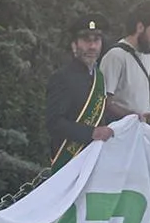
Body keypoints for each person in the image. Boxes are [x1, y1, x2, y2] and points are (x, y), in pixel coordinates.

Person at [43, 16, 126, 171]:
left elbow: (101, 115)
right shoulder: (62, 77)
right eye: (86, 40)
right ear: (74, 45)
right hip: (68, 163)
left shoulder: (98, 77)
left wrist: (135, 118)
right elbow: (54, 123)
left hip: (94, 161)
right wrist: (91, 133)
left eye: (96, 40)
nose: (92, 46)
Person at [99, 1, 150, 116]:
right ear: (140, 27)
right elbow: (104, 103)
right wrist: (135, 116)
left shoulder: (146, 55)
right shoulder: (116, 56)